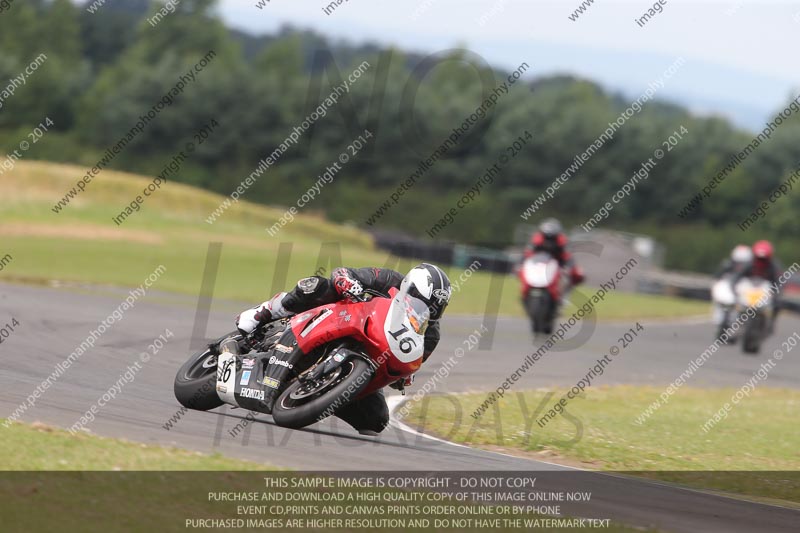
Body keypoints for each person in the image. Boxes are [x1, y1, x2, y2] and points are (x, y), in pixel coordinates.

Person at [235, 263, 451, 435]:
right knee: (318, 286)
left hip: (368, 357)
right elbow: (343, 272)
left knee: (376, 422)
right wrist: (346, 281)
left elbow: (412, 362)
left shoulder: (430, 334)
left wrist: (403, 376)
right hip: (339, 319)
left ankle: (321, 395)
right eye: (421, 300)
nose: (426, 309)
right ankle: (265, 311)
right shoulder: (388, 279)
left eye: (435, 306)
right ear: (408, 287)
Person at [732, 240, 782, 332]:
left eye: (763, 259)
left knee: (778, 303)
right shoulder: (749, 264)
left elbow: (779, 282)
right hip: (750, 290)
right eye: (759, 258)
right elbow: (737, 276)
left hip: (765, 291)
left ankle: (771, 323)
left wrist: (776, 293)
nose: (761, 261)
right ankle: (735, 323)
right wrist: (734, 287)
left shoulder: (773, 267)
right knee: (734, 301)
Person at [524, 218, 585, 286]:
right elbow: (528, 253)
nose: (549, 242)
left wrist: (568, 269)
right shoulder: (537, 240)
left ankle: (562, 294)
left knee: (567, 278)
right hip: (539, 266)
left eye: (552, 238)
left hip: (557, 266)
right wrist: (521, 264)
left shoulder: (562, 242)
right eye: (547, 238)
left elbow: (568, 257)